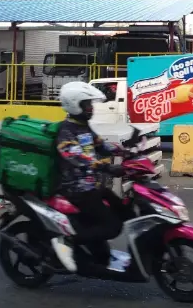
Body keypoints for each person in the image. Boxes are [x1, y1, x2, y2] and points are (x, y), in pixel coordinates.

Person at [51, 81, 128, 273]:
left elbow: (102, 145)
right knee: (113, 227)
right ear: (75, 105)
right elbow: (76, 157)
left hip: (92, 185)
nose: (91, 108)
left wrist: (127, 150)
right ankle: (69, 239)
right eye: (87, 104)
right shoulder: (66, 131)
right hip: (76, 190)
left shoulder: (84, 126)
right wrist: (107, 167)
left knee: (125, 210)